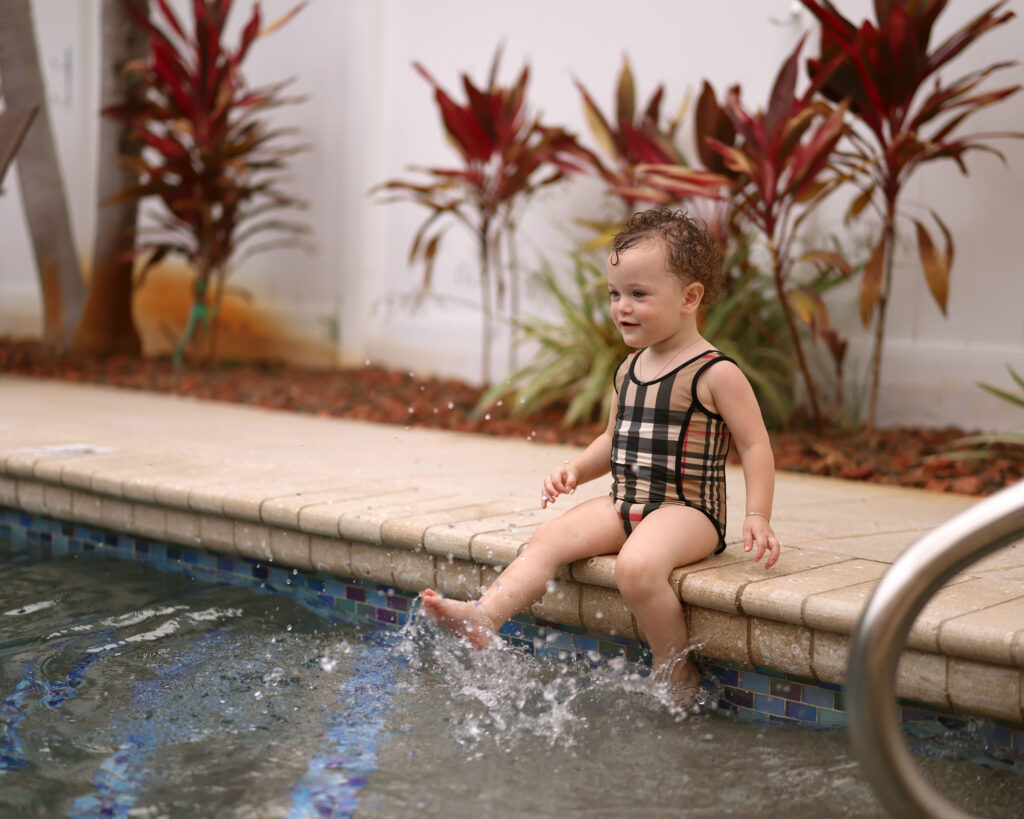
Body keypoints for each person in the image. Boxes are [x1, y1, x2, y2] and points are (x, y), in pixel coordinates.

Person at [421, 208, 780, 701]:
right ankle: (486, 616)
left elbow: (755, 444)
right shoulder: (628, 369)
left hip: (687, 511)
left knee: (636, 568)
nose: (621, 307)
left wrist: (758, 514)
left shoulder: (714, 372)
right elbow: (612, 440)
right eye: (615, 294)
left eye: (638, 294)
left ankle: (675, 668)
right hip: (625, 502)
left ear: (689, 298)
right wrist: (575, 469)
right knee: (547, 539)